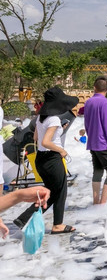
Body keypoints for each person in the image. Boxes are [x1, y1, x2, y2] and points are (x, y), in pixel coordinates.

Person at [14, 86, 79, 234]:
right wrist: (62, 150)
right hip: (52, 159)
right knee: (60, 192)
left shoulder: (40, 118)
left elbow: (36, 137)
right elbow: (46, 142)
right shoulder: (54, 119)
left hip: (41, 159)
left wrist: (59, 129)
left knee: (50, 192)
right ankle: (57, 225)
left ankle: (24, 218)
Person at [84, 76, 107, 205]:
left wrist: (91, 137)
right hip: (103, 144)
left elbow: (86, 124)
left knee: (98, 171)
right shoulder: (105, 103)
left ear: (94, 87)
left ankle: (95, 201)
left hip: (93, 143)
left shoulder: (88, 102)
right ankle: (102, 203)